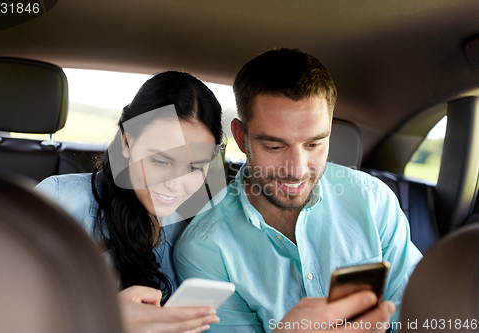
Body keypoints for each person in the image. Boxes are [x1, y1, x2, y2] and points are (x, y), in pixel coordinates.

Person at [173, 48, 423, 332]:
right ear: (242, 138)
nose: (297, 170)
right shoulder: (205, 249)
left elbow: (418, 313)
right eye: (275, 147)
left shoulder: (373, 201)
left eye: (314, 144)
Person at [35, 71, 224, 333]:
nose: (175, 184)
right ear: (127, 142)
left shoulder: (196, 229)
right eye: (160, 161)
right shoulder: (58, 202)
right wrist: (105, 318)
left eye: (195, 168)